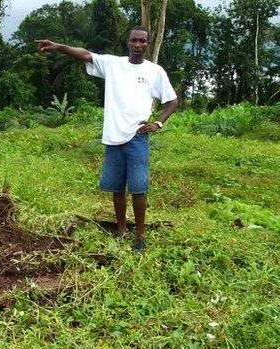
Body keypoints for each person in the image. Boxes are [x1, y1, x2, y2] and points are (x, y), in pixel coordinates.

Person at [36, 26, 178, 253]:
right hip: (113, 138)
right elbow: (85, 55)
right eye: (134, 41)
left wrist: (158, 123)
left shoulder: (155, 71)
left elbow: (172, 101)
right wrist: (59, 47)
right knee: (117, 188)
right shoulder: (113, 64)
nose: (138, 45)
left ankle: (139, 236)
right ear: (128, 43)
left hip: (137, 137)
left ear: (148, 44)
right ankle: (121, 230)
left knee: (138, 188)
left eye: (143, 41)